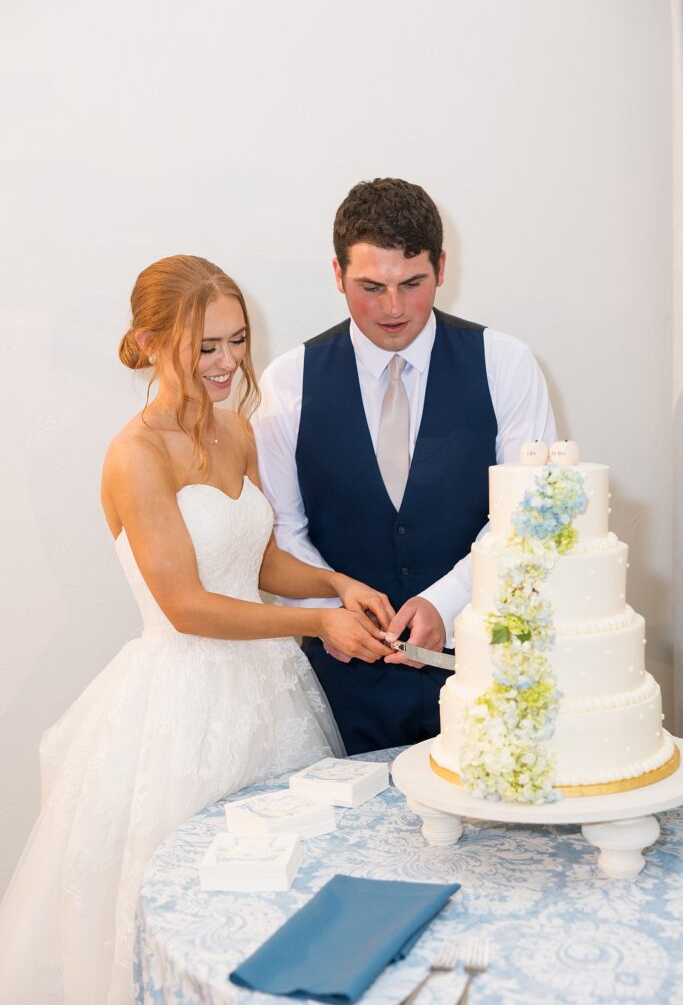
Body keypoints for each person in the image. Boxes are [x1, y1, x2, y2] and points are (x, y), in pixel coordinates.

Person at [0, 255, 393, 1005]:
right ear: (149, 343)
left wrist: (337, 583)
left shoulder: (234, 431)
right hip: (178, 706)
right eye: (204, 347)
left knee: (285, 890)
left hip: (269, 691)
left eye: (236, 342)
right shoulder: (134, 456)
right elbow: (185, 603)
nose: (226, 363)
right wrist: (318, 625)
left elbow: (258, 559)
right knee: (195, 906)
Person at [253, 177, 557, 755]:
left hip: (484, 673)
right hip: (339, 686)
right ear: (337, 276)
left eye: (412, 284)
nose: (393, 308)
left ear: (441, 268)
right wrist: (332, 616)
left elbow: (525, 518)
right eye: (371, 286)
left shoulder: (507, 364)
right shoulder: (287, 382)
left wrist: (445, 602)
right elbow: (281, 530)